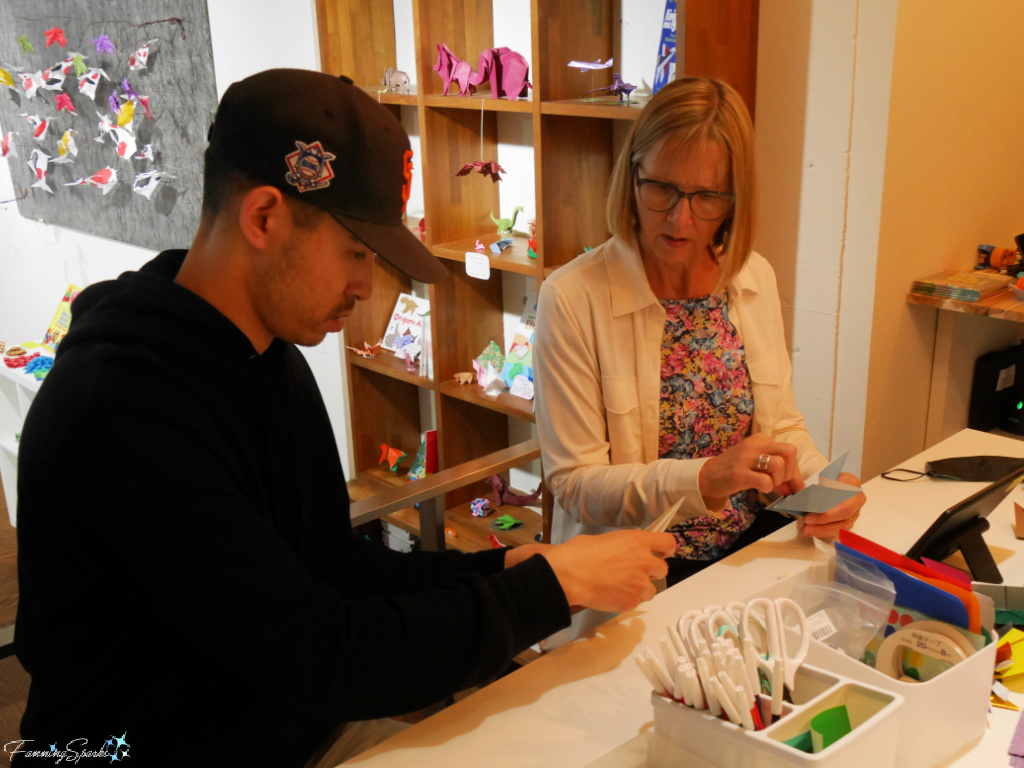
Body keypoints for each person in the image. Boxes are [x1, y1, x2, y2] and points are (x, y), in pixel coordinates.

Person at [12, 69, 675, 767]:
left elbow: (325, 571)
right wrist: (553, 587)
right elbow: (320, 652)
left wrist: (506, 565)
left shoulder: (266, 357)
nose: (365, 287)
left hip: (289, 725)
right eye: (356, 253)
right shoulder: (120, 413)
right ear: (264, 217)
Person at [533, 77, 865, 592]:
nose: (679, 217)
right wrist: (705, 478)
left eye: (707, 195)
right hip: (644, 576)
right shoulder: (574, 298)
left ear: (735, 199)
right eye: (662, 187)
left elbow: (781, 426)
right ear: (632, 175)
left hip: (753, 552)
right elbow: (575, 485)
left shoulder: (752, 277)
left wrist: (824, 485)